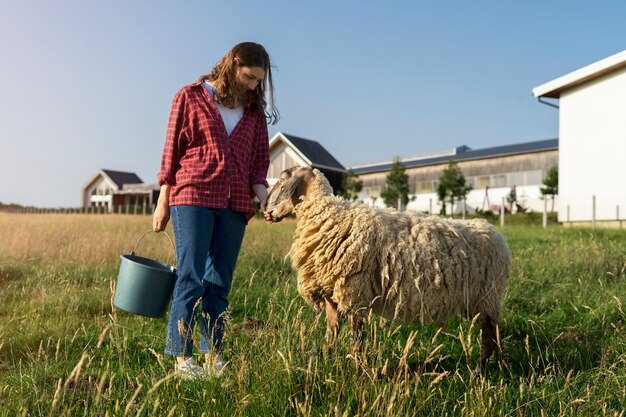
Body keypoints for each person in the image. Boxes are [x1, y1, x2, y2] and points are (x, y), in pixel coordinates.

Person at [153, 42, 279, 380]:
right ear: (234, 64)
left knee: (219, 282)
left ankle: (213, 357)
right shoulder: (190, 96)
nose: (254, 85)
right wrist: (163, 197)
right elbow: (171, 150)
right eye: (250, 77)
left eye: (259, 81)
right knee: (190, 276)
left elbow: (257, 167)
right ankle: (182, 360)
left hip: (236, 201)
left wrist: (263, 196)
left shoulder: (253, 113)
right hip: (192, 193)